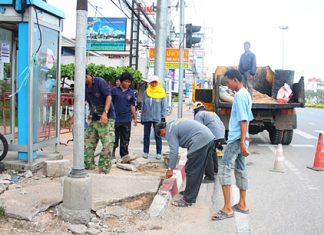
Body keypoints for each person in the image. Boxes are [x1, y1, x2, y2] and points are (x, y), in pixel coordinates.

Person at [212, 69, 253, 221]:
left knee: (224, 169)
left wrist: (241, 141)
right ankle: (242, 204)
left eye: (228, 82)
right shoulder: (246, 94)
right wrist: (245, 139)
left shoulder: (240, 96)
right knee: (241, 169)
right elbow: (247, 119)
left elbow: (243, 120)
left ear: (235, 79)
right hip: (241, 138)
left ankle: (227, 208)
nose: (228, 85)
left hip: (236, 139)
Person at [155, 119, 215, 207]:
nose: (165, 137)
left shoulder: (170, 130)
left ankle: (188, 199)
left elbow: (174, 151)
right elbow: (188, 135)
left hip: (200, 140)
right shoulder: (173, 123)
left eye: (163, 135)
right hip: (209, 138)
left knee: (191, 169)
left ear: (162, 129)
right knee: (198, 169)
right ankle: (189, 192)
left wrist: (170, 169)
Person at [84, 70, 116, 174]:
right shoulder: (82, 86)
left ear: (88, 75)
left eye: (84, 77)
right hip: (94, 118)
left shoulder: (99, 82)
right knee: (87, 143)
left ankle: (103, 168)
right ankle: (88, 165)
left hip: (107, 117)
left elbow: (109, 96)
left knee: (107, 144)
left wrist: (105, 113)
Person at [192, 102, 225, 183]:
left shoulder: (199, 115)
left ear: (195, 110)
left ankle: (210, 176)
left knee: (207, 154)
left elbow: (199, 129)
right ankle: (214, 170)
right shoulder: (212, 113)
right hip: (221, 135)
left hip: (212, 135)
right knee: (213, 152)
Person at [111, 72, 137, 161]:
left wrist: (135, 118)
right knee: (114, 137)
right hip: (115, 118)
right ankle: (112, 153)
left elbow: (132, 106)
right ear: (121, 81)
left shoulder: (131, 93)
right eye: (125, 81)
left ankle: (124, 155)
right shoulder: (114, 90)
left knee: (125, 138)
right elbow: (109, 102)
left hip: (126, 119)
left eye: (129, 82)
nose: (127, 84)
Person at [141, 75, 166, 160]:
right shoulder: (146, 92)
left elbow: (163, 106)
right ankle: (145, 152)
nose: (154, 84)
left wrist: (163, 117)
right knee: (146, 135)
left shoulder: (161, 92)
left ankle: (158, 153)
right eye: (152, 82)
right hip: (147, 117)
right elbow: (143, 105)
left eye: (155, 82)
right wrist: (142, 118)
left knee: (158, 136)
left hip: (157, 118)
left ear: (158, 82)